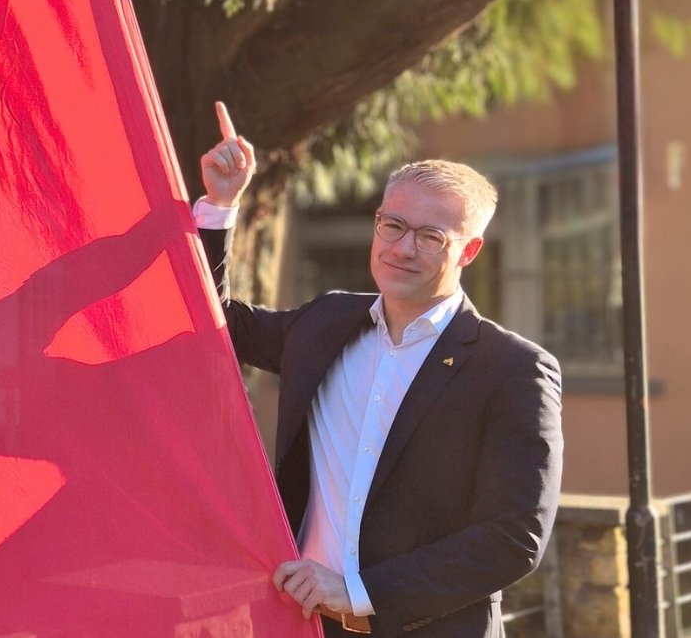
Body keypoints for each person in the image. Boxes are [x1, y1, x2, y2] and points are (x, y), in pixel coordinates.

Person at [195, 103, 562, 636]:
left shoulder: (513, 370)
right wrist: (221, 205)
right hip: (301, 622)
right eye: (393, 225)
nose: (402, 248)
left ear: (470, 251)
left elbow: (513, 537)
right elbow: (216, 322)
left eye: (431, 236)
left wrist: (361, 593)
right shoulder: (326, 322)